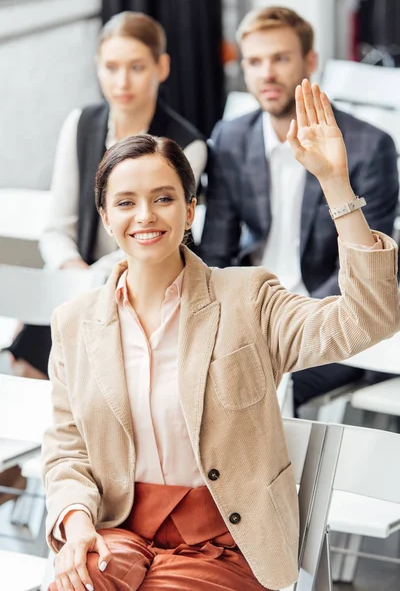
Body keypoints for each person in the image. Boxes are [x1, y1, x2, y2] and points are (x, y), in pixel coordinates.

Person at [42, 81, 400, 591]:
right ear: (105, 216)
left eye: (163, 198)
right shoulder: (74, 322)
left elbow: (369, 318)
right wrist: (78, 530)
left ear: (190, 211)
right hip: (116, 533)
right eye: (126, 202)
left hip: (224, 542)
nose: (145, 216)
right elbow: (67, 451)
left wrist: (336, 185)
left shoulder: (247, 298)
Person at [200, 6, 399, 411]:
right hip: (251, 309)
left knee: (245, 386)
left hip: (335, 318)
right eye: (254, 61)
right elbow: (217, 251)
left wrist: (289, 324)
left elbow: (369, 269)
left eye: (280, 58)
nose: (266, 73)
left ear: (310, 61)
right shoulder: (231, 137)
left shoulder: (368, 145)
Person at [7, 10, 207, 380]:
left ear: (161, 68)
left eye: (136, 67)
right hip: (78, 279)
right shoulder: (80, 124)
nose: (122, 81)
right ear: (97, 67)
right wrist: (72, 276)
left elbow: (164, 235)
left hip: (144, 284)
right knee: (27, 360)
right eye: (111, 67)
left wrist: (89, 283)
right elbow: (57, 226)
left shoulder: (187, 143)